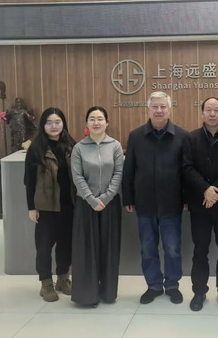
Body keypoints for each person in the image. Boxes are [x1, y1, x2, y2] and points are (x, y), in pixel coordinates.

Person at [122, 92, 189, 305]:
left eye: (163, 107)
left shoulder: (182, 136)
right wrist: (128, 197)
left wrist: (186, 197)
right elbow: (129, 169)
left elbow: (187, 171)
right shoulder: (136, 136)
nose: (159, 111)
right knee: (148, 249)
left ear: (169, 109)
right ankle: (153, 286)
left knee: (172, 248)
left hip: (172, 203)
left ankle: (172, 285)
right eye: (155, 107)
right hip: (145, 203)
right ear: (148, 109)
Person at [183, 97, 218, 311]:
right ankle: (199, 292)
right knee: (200, 251)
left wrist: (214, 190)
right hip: (200, 205)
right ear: (202, 113)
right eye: (208, 110)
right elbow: (187, 168)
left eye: (216, 110)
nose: (212, 113)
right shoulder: (191, 138)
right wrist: (205, 189)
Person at [71, 106, 124, 306]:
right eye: (92, 119)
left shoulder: (115, 146)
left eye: (100, 118)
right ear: (86, 123)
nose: (96, 122)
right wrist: (92, 200)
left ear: (107, 122)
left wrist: (107, 197)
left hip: (110, 205)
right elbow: (77, 177)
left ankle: (108, 293)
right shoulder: (79, 148)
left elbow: (118, 173)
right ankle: (88, 295)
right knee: (87, 250)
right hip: (86, 205)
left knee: (109, 250)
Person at [24, 107, 76, 302]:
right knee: (44, 246)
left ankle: (63, 278)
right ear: (43, 125)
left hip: (68, 205)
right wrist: (31, 207)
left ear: (63, 123)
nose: (54, 126)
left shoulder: (71, 145)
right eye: (49, 122)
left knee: (66, 244)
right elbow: (29, 180)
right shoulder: (36, 148)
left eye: (57, 122)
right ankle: (46, 282)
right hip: (45, 206)